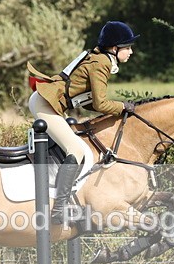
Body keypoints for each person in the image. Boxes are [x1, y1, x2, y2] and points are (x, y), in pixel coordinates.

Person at [27, 20, 139, 224]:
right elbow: (101, 102)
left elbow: (90, 102)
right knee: (77, 151)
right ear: (115, 48)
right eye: (128, 47)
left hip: (48, 102)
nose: (131, 52)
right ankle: (59, 209)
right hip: (45, 104)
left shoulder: (100, 59)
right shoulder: (101, 63)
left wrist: (117, 108)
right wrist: (123, 107)